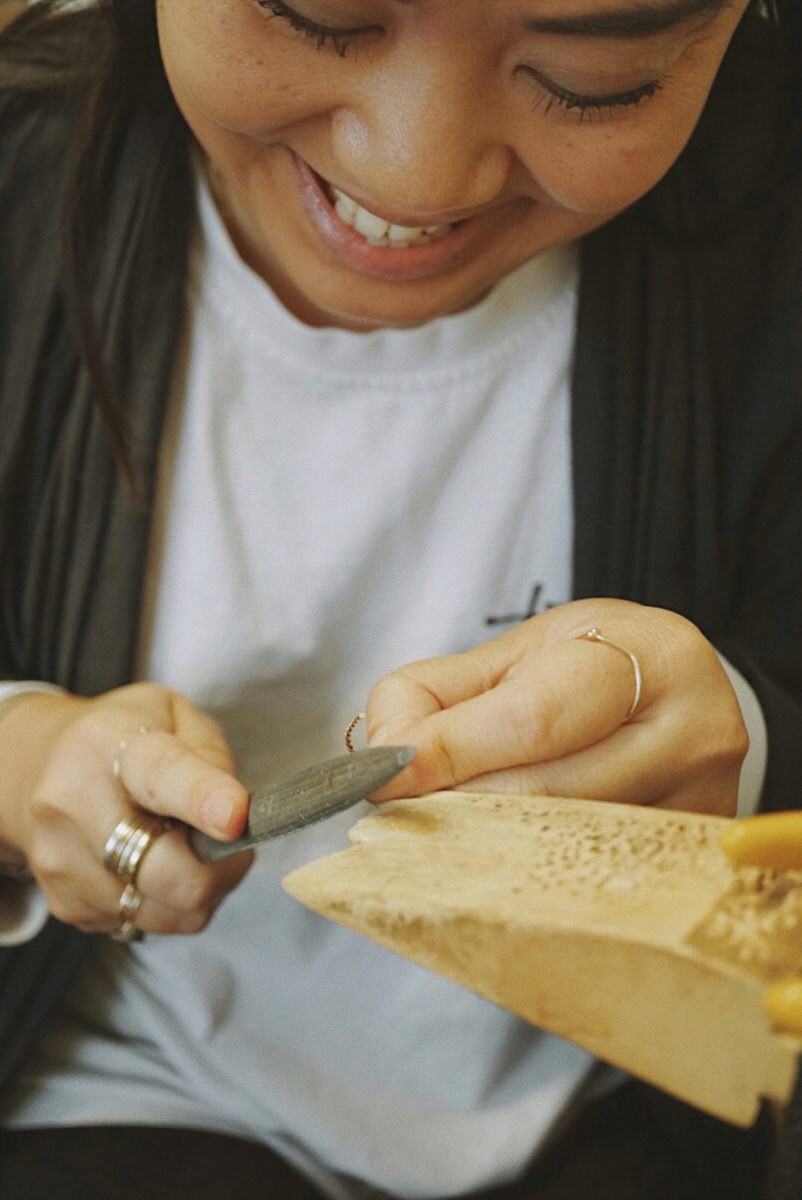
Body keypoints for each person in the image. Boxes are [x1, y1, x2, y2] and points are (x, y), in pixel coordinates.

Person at [0, 0, 799, 1196]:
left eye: (589, 84)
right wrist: (18, 755)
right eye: (319, 15)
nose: (414, 170)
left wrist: (745, 749)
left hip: (619, 1093)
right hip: (120, 1075)